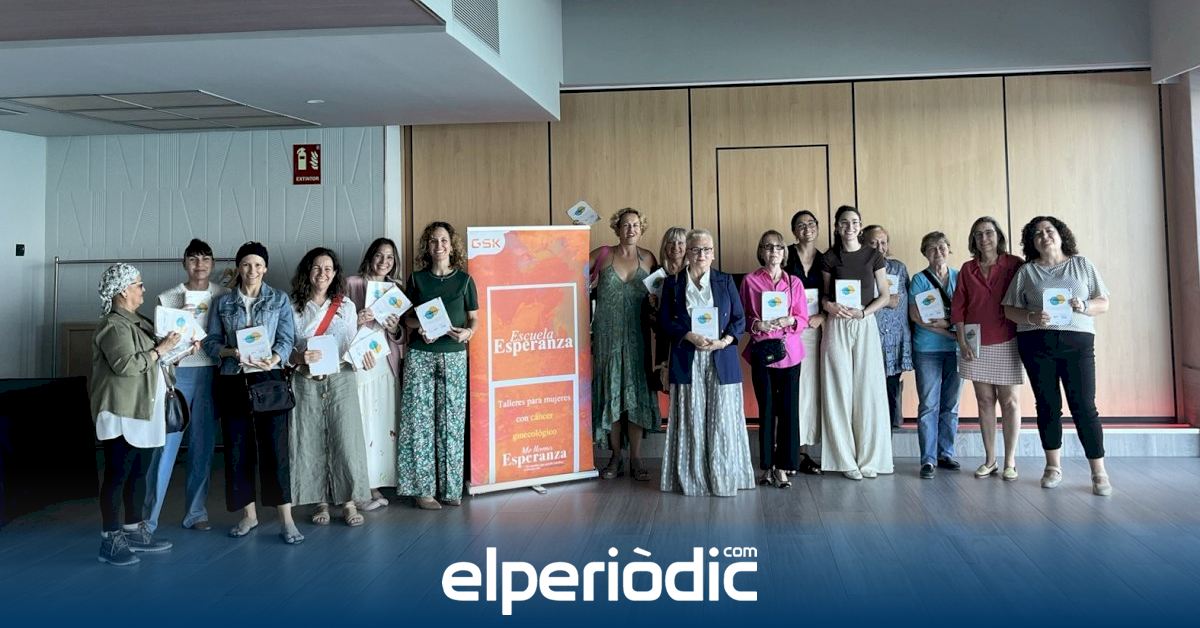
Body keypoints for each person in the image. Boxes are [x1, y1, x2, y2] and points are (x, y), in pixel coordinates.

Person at [1003, 216, 1112, 496]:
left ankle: (1098, 472)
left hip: (1078, 344)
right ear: (1032, 242)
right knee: (1047, 405)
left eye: (1049, 230)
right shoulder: (1027, 271)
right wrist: (1031, 316)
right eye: (1037, 233)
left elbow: (1103, 302)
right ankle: (1052, 467)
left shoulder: (1082, 265)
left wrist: (1083, 305)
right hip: (1036, 343)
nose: (1044, 236)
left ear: (1061, 234)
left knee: (1084, 406)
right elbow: (1009, 310)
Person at [202, 242, 302, 543]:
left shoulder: (279, 299)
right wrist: (231, 352)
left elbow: (287, 338)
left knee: (275, 449)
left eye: (258, 264)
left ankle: (286, 519)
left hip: (269, 378)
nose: (252, 270)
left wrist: (274, 358)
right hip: (233, 379)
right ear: (238, 267)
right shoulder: (223, 302)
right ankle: (249, 515)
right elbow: (210, 342)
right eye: (246, 264)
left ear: (265, 268)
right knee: (237, 448)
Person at [92, 263, 182, 565]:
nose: (144, 289)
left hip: (143, 409)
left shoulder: (138, 321)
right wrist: (161, 349)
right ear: (122, 291)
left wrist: (178, 349)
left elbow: (155, 360)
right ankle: (110, 539)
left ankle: (132, 531)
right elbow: (126, 365)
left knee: (138, 473)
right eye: (138, 284)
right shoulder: (113, 325)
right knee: (118, 474)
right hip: (122, 410)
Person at [659, 229, 755, 496]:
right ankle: (693, 480)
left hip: (721, 357)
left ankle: (724, 477)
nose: (702, 254)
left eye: (707, 249)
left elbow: (739, 319)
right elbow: (665, 322)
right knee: (691, 418)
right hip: (687, 358)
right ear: (687, 253)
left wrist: (724, 342)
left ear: (713, 253)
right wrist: (687, 335)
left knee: (722, 419)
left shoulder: (725, 281)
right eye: (696, 249)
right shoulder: (673, 283)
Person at [142, 239, 228, 534]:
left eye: (205, 259)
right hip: (176, 377)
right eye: (193, 259)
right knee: (164, 448)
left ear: (212, 264)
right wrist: (178, 334)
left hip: (211, 374)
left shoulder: (223, 295)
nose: (199, 265)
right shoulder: (168, 297)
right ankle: (148, 518)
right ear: (184, 263)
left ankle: (195, 512)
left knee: (203, 448)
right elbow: (159, 344)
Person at [398, 222, 478, 509]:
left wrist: (468, 333)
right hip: (420, 354)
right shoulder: (416, 279)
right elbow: (405, 318)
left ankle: (451, 488)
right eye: (433, 241)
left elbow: (474, 319)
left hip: (454, 355)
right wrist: (418, 326)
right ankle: (423, 491)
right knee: (419, 422)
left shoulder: (466, 281)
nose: (439, 245)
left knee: (452, 422)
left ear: (452, 245)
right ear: (427, 246)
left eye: (444, 240)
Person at [289, 247, 371, 526]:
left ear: (335, 273)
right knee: (309, 438)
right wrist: (298, 358)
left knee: (346, 437)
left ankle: (349, 501)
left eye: (328, 268)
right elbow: (285, 345)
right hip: (305, 378)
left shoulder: (345, 306)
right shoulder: (293, 306)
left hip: (341, 377)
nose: (322, 273)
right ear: (307, 272)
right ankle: (319, 500)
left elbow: (352, 344)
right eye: (316, 268)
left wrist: (365, 358)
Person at [820, 206, 894, 479]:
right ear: (837, 227)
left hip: (864, 321)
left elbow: (884, 295)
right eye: (844, 222)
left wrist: (864, 313)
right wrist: (829, 306)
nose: (849, 227)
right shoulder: (829, 257)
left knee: (868, 389)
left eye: (854, 222)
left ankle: (870, 459)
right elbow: (824, 296)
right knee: (838, 390)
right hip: (837, 323)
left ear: (860, 226)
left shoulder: (874, 255)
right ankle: (844, 460)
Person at [589, 208, 661, 481]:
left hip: (637, 338)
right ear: (617, 228)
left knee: (635, 396)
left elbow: (661, 297)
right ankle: (615, 456)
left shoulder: (649, 258)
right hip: (607, 338)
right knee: (612, 392)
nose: (631, 229)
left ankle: (636, 458)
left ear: (641, 229)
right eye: (626, 225)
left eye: (635, 225)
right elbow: (570, 270)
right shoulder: (602, 254)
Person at [950, 217, 1024, 480]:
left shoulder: (1014, 264)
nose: (984, 239)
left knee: (1010, 402)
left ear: (998, 235)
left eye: (989, 233)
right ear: (973, 239)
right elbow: (958, 307)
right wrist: (962, 341)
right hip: (975, 343)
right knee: (984, 401)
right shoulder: (967, 269)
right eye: (978, 234)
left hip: (1007, 339)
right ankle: (990, 459)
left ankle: (1010, 461)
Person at [739, 230, 809, 488]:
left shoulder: (794, 282)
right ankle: (767, 466)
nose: (774, 252)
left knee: (788, 411)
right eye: (768, 247)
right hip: (762, 353)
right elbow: (742, 317)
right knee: (766, 410)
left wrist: (789, 320)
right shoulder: (750, 281)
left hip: (790, 353)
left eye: (778, 247)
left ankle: (784, 466)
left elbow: (803, 319)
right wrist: (758, 324)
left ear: (784, 252)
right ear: (761, 251)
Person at [345, 238, 404, 511]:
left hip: (386, 364)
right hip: (361, 363)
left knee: (383, 424)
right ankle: (362, 486)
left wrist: (394, 329)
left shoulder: (396, 289)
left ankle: (378, 481)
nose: (384, 261)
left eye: (389, 257)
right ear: (370, 256)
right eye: (379, 255)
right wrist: (356, 319)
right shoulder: (352, 283)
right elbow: (338, 325)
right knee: (362, 422)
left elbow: (402, 335)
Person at [908, 232, 962, 479]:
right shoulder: (919, 280)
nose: (937, 252)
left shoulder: (960, 277)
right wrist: (950, 332)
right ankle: (928, 460)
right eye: (931, 248)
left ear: (949, 249)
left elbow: (968, 312)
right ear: (924, 253)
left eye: (942, 247)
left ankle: (945, 453)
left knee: (951, 404)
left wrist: (950, 329)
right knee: (929, 404)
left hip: (956, 350)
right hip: (927, 349)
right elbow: (917, 316)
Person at [783, 210, 825, 475]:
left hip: (815, 330)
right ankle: (786, 451)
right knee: (790, 390)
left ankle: (802, 450)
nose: (806, 228)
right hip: (788, 331)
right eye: (800, 225)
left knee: (809, 392)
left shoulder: (826, 259)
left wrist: (823, 315)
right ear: (794, 231)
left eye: (811, 224)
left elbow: (833, 293)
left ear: (817, 228)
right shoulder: (785, 255)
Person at [861, 225, 912, 431]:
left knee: (891, 391)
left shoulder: (899, 268)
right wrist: (884, 300)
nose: (879, 247)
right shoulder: (858, 270)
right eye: (873, 243)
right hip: (869, 339)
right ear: (863, 244)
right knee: (868, 393)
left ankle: (888, 439)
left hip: (894, 341)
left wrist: (883, 300)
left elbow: (902, 303)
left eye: (883, 242)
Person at [650, 226, 688, 394]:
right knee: (669, 389)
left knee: (688, 389)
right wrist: (653, 306)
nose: (675, 247)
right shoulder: (656, 275)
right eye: (671, 242)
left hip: (687, 340)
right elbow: (652, 321)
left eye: (681, 242)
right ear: (665, 246)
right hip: (665, 342)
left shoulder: (694, 273)